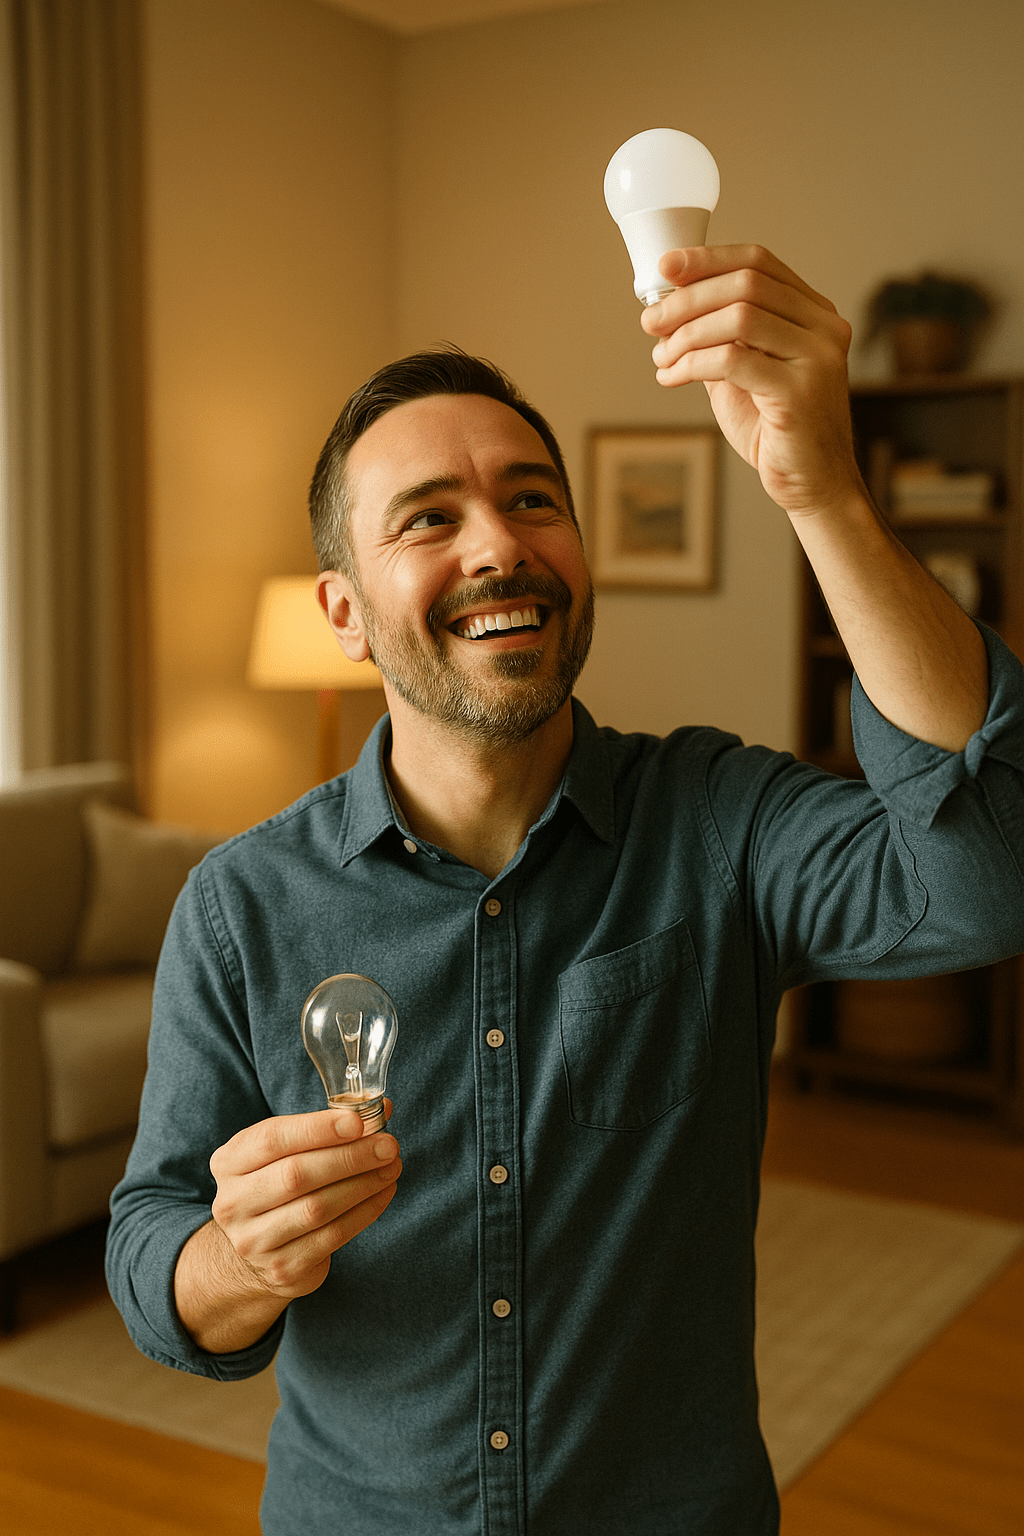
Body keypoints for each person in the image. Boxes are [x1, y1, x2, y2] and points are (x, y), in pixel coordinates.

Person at [107, 246, 1024, 1536]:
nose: (500, 545)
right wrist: (237, 1258)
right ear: (345, 611)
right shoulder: (238, 902)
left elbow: (985, 880)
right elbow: (153, 1248)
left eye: (534, 501)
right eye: (428, 518)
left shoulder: (720, 818)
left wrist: (823, 495)